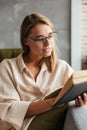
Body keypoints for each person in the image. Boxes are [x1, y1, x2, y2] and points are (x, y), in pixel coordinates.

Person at [0, 13, 86, 130]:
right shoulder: (7, 67)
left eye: (50, 36)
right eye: (40, 38)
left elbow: (72, 104)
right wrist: (54, 103)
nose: (48, 43)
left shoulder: (63, 68)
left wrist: (81, 103)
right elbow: (8, 109)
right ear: (26, 41)